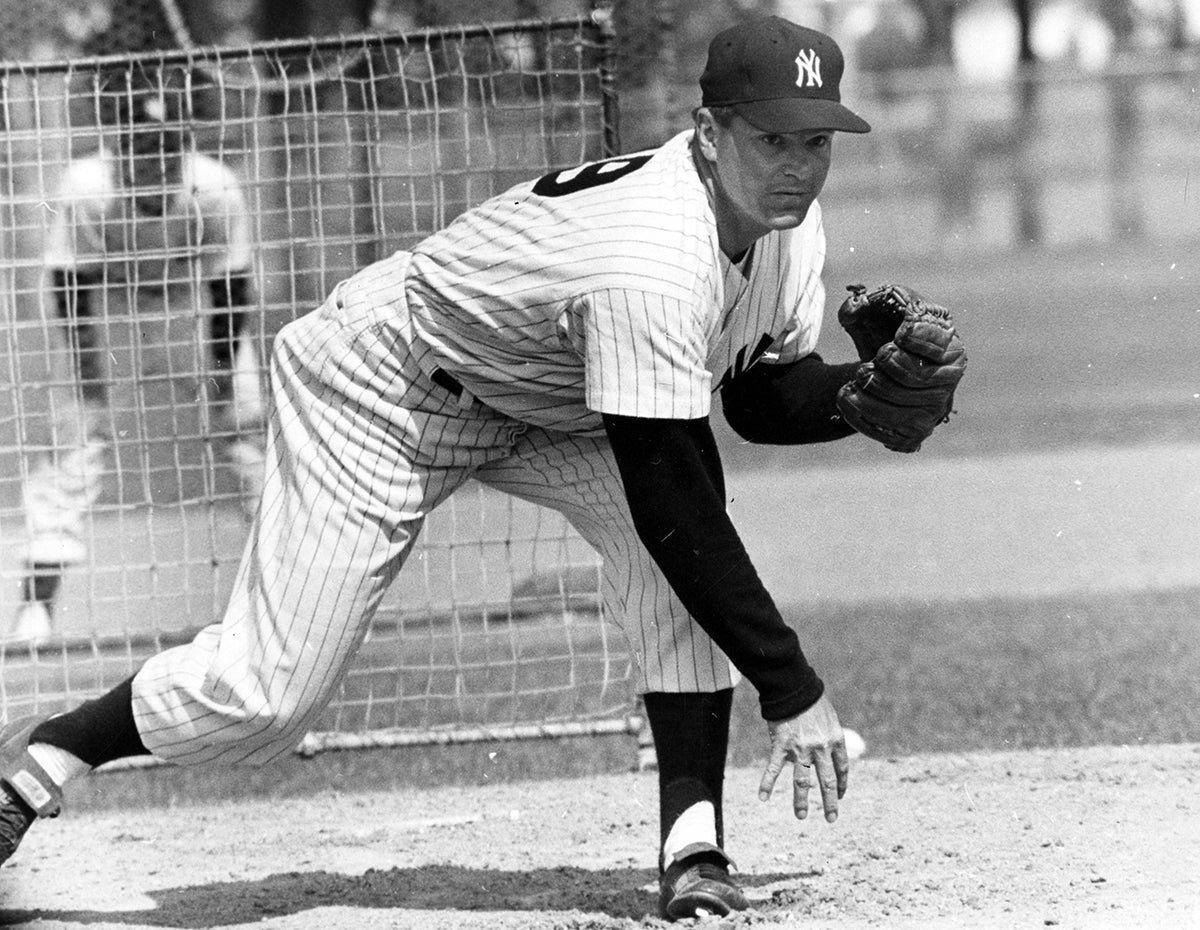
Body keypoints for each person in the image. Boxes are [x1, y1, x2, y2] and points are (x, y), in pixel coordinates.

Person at [0, 18, 952, 920]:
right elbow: (676, 493)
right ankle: (47, 754)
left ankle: (692, 852)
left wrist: (852, 397)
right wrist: (791, 688)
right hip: (391, 385)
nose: (796, 167)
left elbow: (755, 393)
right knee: (264, 702)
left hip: (554, 397)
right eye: (771, 140)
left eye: (816, 142)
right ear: (708, 134)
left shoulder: (789, 229)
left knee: (672, 567)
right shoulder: (650, 254)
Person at [8, 67, 266, 644]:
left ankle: (288, 591)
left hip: (188, 307)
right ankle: (36, 608)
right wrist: (87, 374)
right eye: (140, 146)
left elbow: (231, 286)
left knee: (250, 430)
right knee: (73, 445)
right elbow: (69, 287)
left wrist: (222, 372)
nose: (155, 158)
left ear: (186, 144)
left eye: (168, 144)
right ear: (117, 147)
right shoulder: (86, 187)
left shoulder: (215, 186)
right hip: (112, 311)